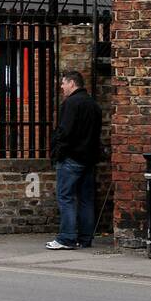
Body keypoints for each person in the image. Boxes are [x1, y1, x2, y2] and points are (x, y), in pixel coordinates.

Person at [46, 70, 102, 250]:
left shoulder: (70, 103)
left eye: (63, 83)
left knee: (66, 197)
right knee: (86, 199)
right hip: (89, 158)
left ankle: (67, 238)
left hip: (71, 158)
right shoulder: (93, 104)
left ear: (72, 83)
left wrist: (57, 151)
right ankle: (85, 238)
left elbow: (65, 132)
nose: (61, 87)